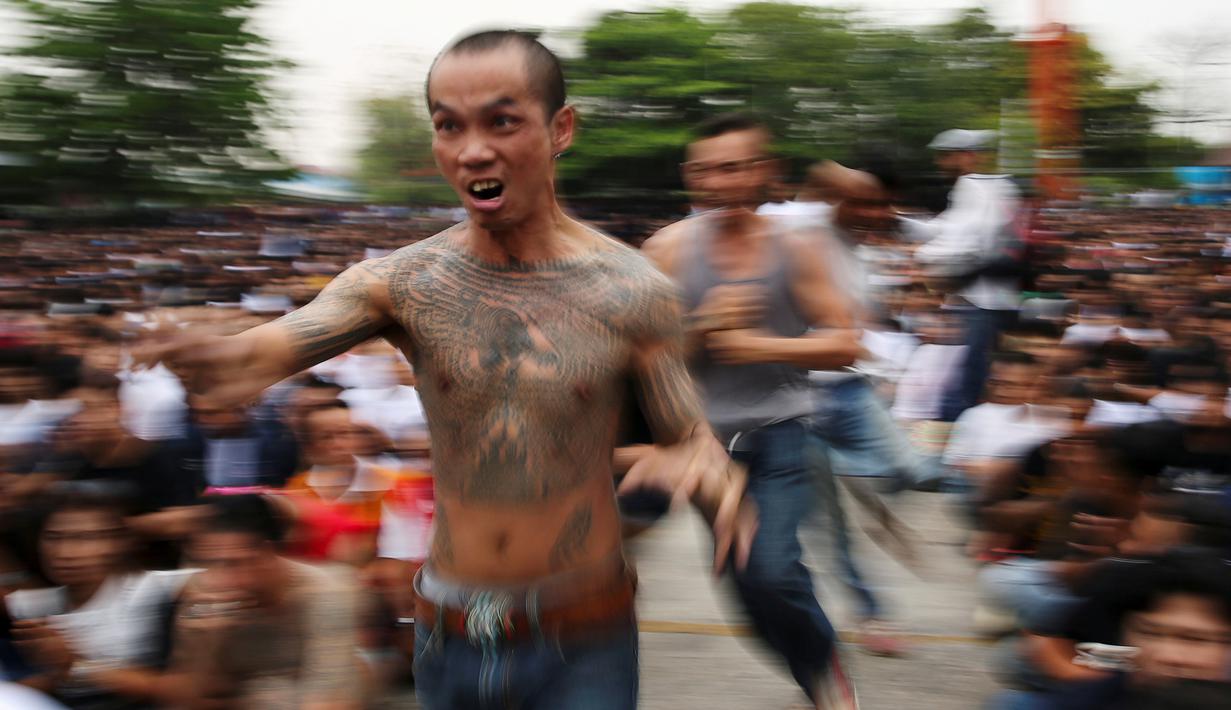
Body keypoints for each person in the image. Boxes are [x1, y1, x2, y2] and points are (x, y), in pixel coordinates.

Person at [141, 30, 751, 710]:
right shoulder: (399, 284)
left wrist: (707, 472)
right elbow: (257, 357)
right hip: (447, 633)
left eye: (501, 121)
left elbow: (688, 435)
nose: (472, 150)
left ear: (560, 130)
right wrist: (211, 355)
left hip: (583, 634)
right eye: (447, 126)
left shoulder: (634, 293)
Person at [642, 113, 863, 709]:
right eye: (708, 170)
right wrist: (700, 330)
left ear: (764, 172)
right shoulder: (666, 250)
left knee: (773, 569)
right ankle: (816, 666)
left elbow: (846, 344)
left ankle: (824, 674)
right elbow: (645, 361)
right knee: (745, 590)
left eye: (735, 167)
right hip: (703, 446)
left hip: (780, 433)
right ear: (691, 177)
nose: (721, 182)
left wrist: (758, 343)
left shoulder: (798, 248)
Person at [168, 494, 363, 709]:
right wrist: (208, 642)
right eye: (209, 563)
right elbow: (185, 698)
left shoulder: (326, 591)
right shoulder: (199, 591)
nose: (221, 578)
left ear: (267, 554)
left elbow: (330, 699)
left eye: (234, 563)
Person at [905, 128, 1022, 421]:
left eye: (945, 157)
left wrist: (924, 258)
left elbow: (965, 240)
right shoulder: (982, 187)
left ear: (968, 157)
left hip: (985, 301)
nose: (940, 164)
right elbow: (945, 228)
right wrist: (894, 221)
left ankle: (956, 438)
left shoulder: (978, 186)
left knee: (968, 377)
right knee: (960, 372)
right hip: (975, 299)